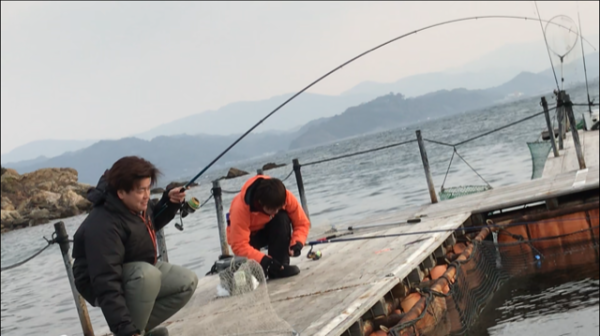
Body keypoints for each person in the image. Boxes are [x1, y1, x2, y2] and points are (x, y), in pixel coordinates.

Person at [72, 156, 199, 336]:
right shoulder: (103, 226)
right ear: (121, 192)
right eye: (141, 190)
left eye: (148, 188)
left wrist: (169, 202)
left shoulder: (135, 205)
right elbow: (106, 283)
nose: (147, 195)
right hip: (99, 281)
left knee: (186, 282)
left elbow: (148, 223)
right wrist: (125, 330)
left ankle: (140, 330)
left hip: (134, 269)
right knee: (148, 276)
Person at [227, 175, 311, 279]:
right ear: (261, 203)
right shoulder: (240, 208)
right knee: (255, 275)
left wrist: (297, 243)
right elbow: (239, 245)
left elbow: (301, 223)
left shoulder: (285, 196)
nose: (275, 211)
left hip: (268, 228)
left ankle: (280, 266)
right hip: (249, 237)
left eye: (278, 208)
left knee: (282, 217)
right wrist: (265, 261)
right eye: (272, 209)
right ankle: (264, 267)